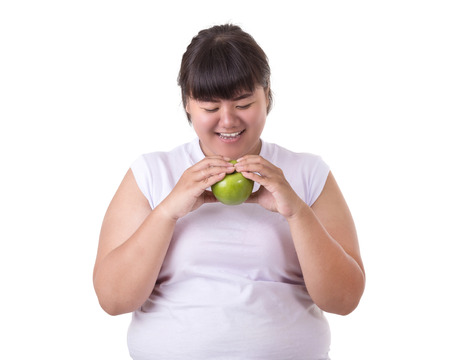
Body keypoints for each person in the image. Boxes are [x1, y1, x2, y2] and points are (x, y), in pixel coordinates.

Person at [93, 24, 365, 359]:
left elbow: (344, 300)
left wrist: (295, 210)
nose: (228, 120)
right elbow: (113, 300)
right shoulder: (151, 172)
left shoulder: (308, 173)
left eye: (243, 103)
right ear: (188, 105)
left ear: (267, 95)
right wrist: (168, 211)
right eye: (210, 107)